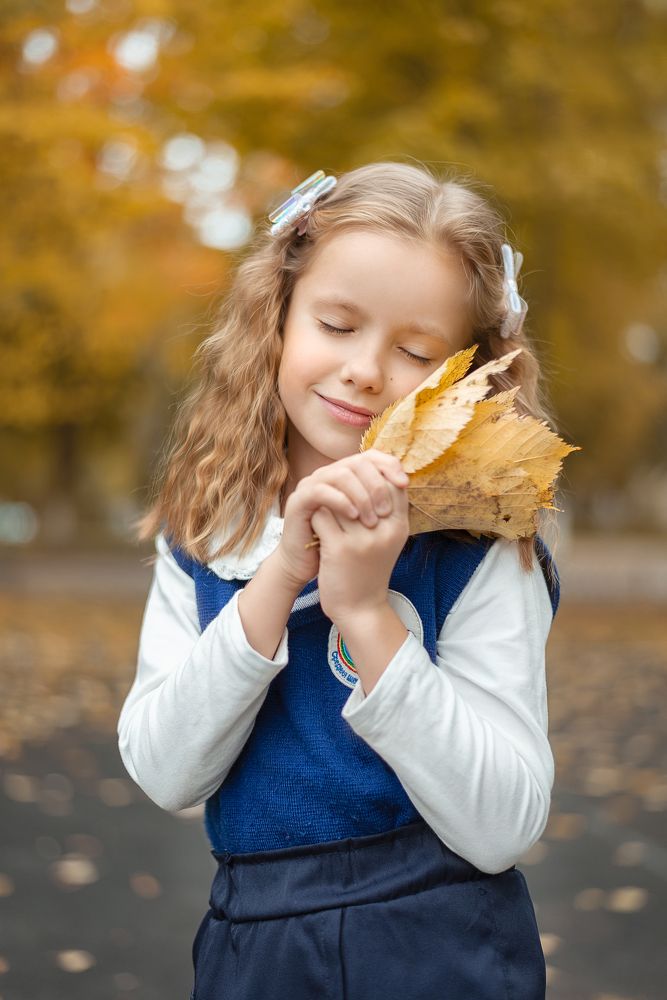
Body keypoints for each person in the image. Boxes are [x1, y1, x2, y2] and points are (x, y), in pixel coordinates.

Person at [117, 161, 562, 1000]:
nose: (364, 369)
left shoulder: (480, 549)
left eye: (415, 351)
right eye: (335, 323)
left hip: (440, 944)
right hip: (253, 949)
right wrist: (282, 574)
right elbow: (167, 770)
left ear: (467, 372)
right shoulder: (209, 532)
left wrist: (364, 611)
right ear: (278, 316)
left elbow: (501, 825)